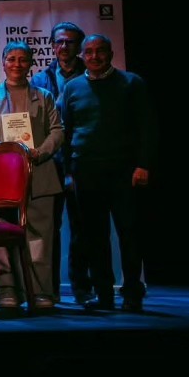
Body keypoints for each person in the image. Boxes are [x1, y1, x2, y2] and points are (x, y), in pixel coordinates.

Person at [59, 34, 156, 312]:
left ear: (111, 54)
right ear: (82, 56)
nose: (94, 56)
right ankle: (103, 294)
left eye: (100, 51)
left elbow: (147, 127)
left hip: (124, 171)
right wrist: (68, 173)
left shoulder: (131, 83)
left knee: (129, 234)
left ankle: (132, 293)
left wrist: (143, 164)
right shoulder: (72, 87)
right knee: (94, 237)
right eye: (89, 52)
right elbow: (66, 132)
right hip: (85, 171)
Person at [0, 41, 63, 309]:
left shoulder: (45, 96)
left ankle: (40, 290)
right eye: (11, 59)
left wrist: (40, 152)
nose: (17, 64)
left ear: (31, 64)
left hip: (39, 174)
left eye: (22, 59)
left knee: (39, 236)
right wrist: (4, 152)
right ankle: (5, 289)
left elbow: (57, 130)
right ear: (3, 63)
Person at [32, 20, 92, 304]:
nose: (63, 46)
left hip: (80, 162)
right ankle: (49, 288)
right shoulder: (40, 81)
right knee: (49, 228)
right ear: (52, 46)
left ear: (79, 46)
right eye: (59, 41)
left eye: (69, 41)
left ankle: (82, 287)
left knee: (82, 229)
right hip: (49, 163)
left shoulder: (89, 76)